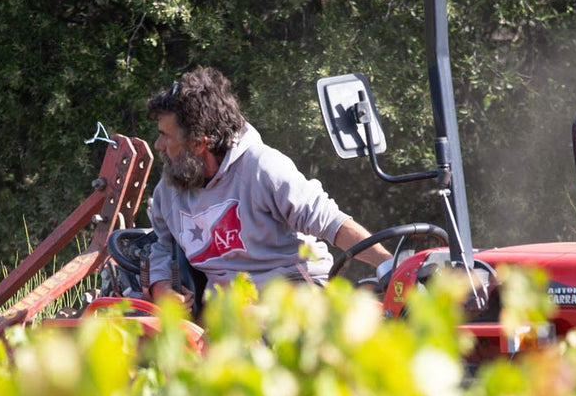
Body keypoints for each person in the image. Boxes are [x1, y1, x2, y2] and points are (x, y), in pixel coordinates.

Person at [145, 66, 391, 304]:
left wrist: (389, 264)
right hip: (229, 308)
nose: (157, 145)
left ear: (199, 143)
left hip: (294, 293)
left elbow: (330, 222)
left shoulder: (262, 168)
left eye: (165, 135)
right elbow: (163, 246)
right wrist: (161, 286)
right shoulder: (170, 188)